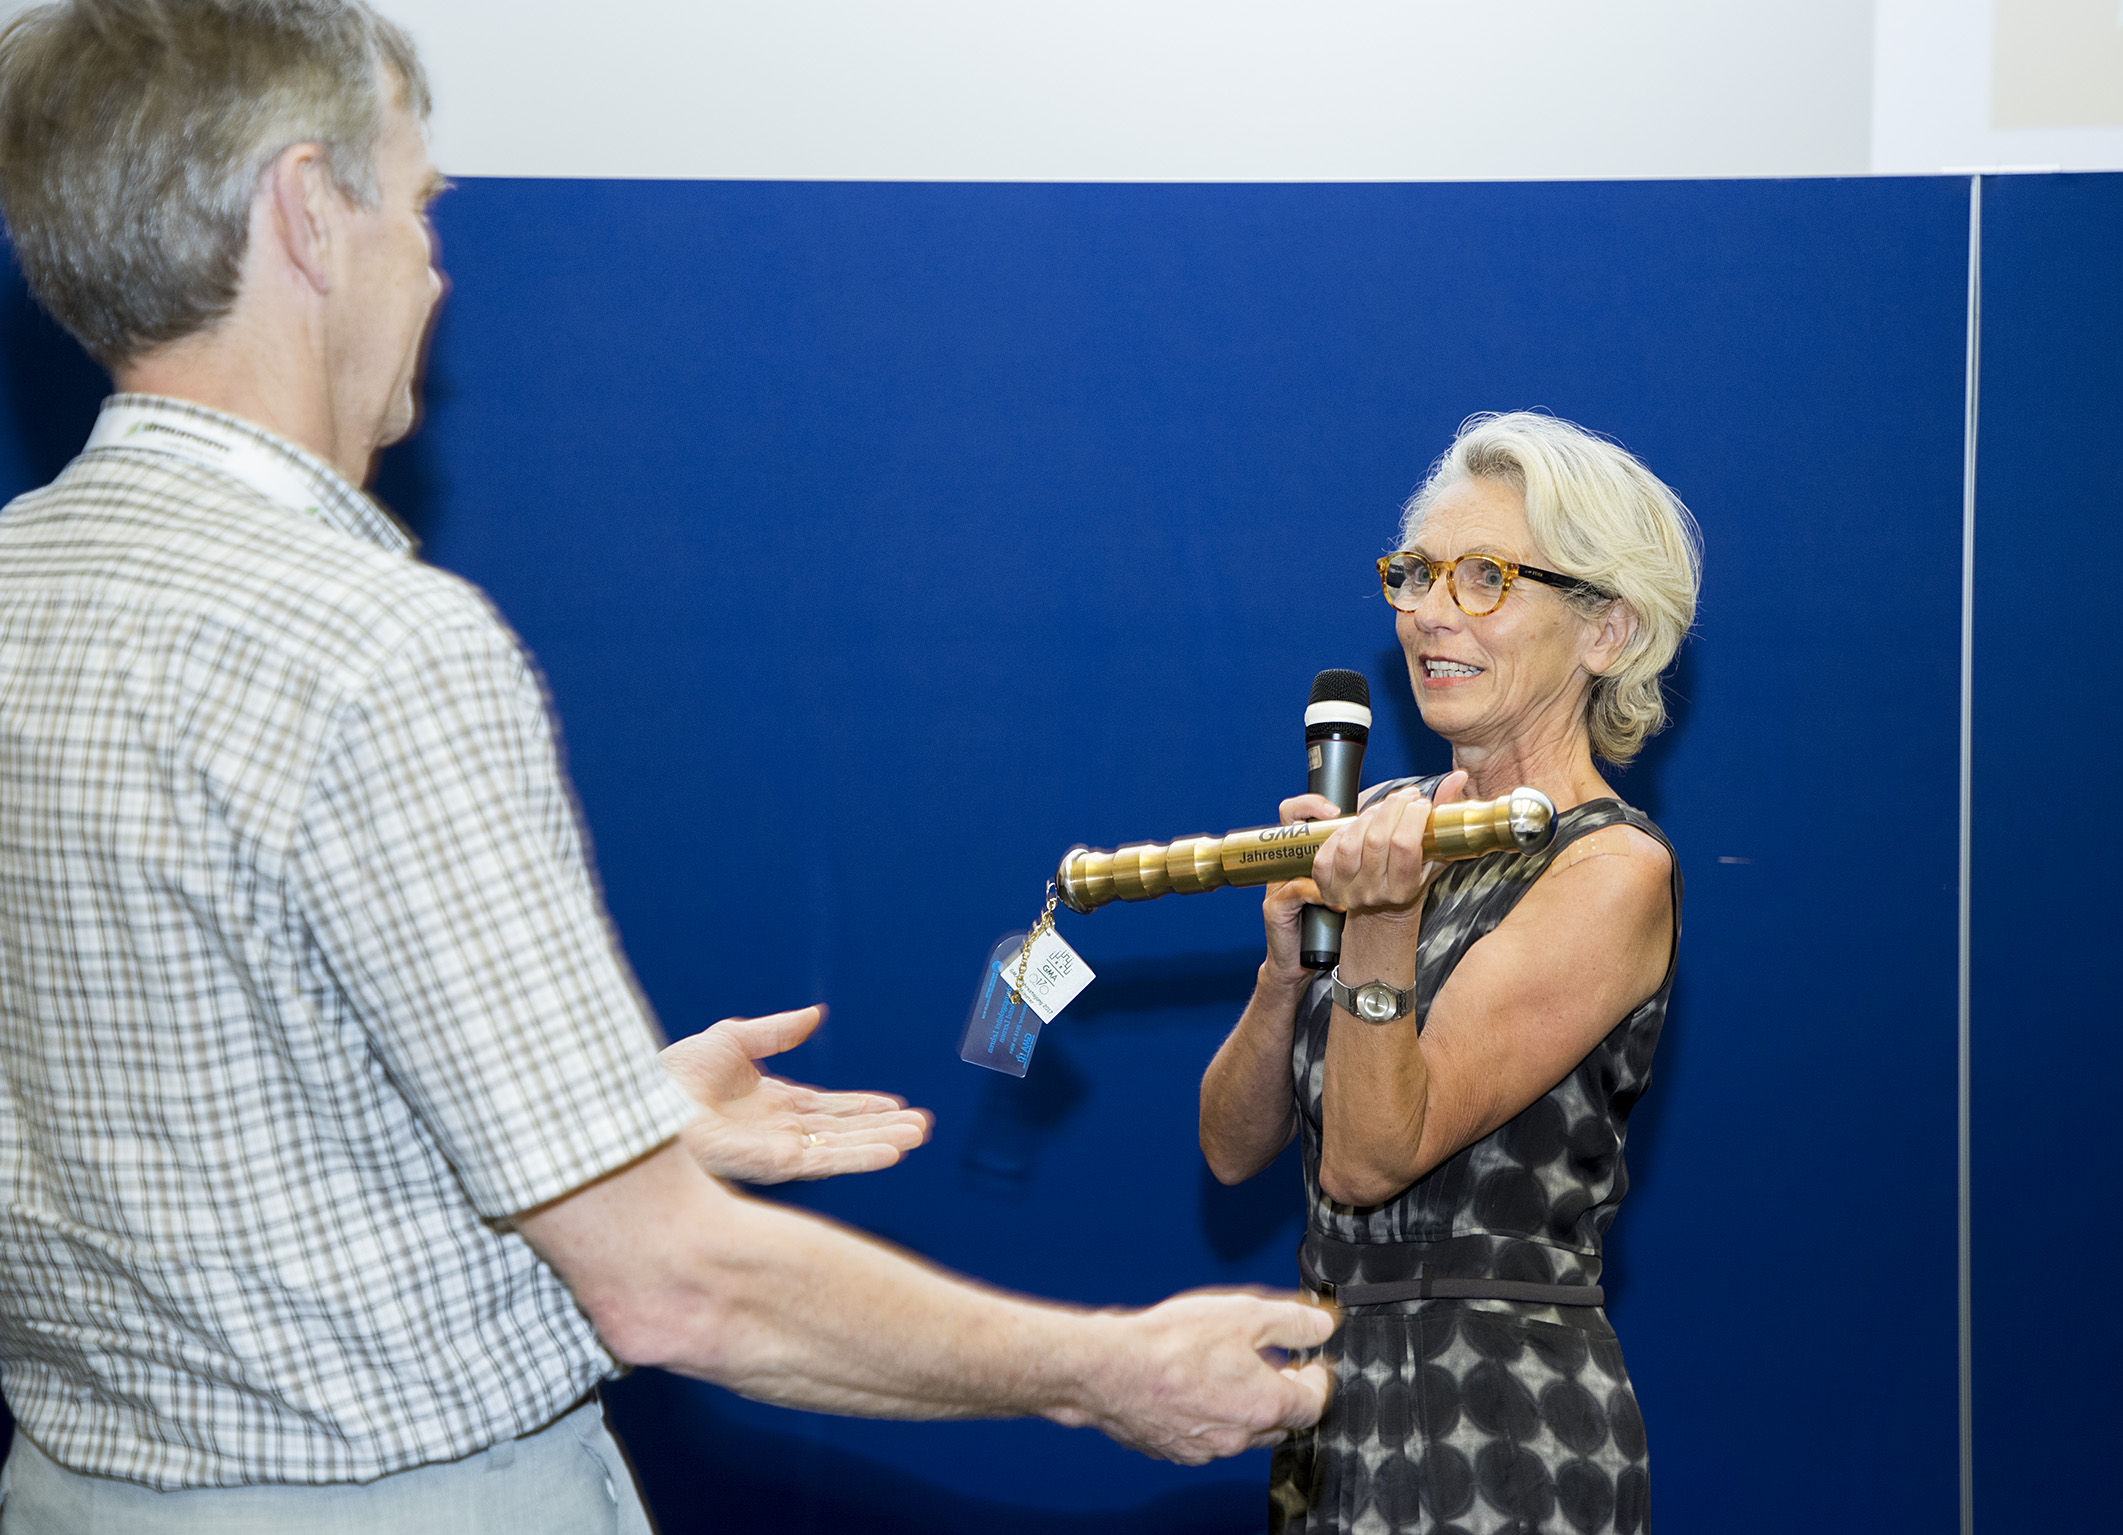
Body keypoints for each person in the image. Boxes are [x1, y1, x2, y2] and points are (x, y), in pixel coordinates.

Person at [0, 3, 1334, 1528]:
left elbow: (202, 1117)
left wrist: (608, 1115)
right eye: (418, 208)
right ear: (308, 211)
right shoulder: (377, 650)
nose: (434, 269)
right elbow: (670, 1282)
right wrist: (1103, 1368)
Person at [1200, 412, 1700, 1534]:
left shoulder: (1611, 867)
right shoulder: (1381, 819)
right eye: (1417, 572)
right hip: (1328, 1402)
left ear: (1606, 629)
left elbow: (1370, 1158)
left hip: (1499, 1415)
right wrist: (1283, 971)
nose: (1429, 610)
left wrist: (1380, 924)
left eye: (1485, 577)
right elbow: (1229, 1151)